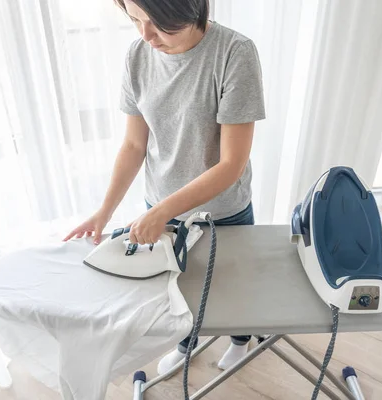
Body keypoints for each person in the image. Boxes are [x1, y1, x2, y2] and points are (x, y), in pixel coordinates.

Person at [63, 0, 265, 375]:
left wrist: (161, 212)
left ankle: (241, 340)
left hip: (222, 210)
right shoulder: (138, 56)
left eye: (157, 24)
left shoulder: (235, 53)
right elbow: (134, 146)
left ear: (189, 10)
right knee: (179, 290)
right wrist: (103, 211)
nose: (146, 35)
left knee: (233, 291)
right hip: (159, 206)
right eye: (136, 20)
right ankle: (188, 343)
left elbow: (231, 164)